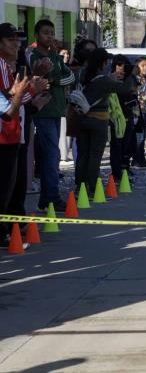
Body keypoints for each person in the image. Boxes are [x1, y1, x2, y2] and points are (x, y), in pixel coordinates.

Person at [0, 23, 47, 245]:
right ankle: (7, 230)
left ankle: (12, 227)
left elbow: (15, 101)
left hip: (13, 134)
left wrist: (31, 87)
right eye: (11, 40)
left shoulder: (8, 67)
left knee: (14, 185)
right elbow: (9, 107)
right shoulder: (1, 66)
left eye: (18, 41)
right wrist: (30, 90)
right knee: (6, 188)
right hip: (5, 135)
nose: (16, 45)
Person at [74, 49, 135, 195]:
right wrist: (131, 74)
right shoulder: (103, 80)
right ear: (102, 63)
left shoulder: (82, 74)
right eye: (106, 62)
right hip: (99, 120)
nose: (108, 64)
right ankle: (92, 188)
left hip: (81, 118)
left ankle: (80, 187)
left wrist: (110, 77)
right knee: (95, 155)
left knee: (83, 154)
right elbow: (125, 89)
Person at [29, 19, 75, 211]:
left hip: (56, 110)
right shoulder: (33, 57)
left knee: (52, 155)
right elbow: (39, 79)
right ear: (37, 36)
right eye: (46, 32)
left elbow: (70, 76)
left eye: (52, 32)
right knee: (51, 155)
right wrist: (54, 80)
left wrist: (54, 80)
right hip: (43, 112)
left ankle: (49, 197)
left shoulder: (55, 56)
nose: (50, 36)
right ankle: (51, 198)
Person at [108, 54, 138, 183]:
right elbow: (124, 90)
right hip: (116, 117)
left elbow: (132, 90)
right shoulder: (110, 79)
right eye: (118, 65)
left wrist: (131, 77)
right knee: (117, 147)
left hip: (128, 114)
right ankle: (117, 173)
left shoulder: (128, 78)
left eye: (123, 66)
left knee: (130, 145)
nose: (121, 69)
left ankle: (124, 168)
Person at [132, 57, 146, 167]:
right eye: (143, 65)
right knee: (138, 136)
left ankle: (142, 158)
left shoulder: (145, 80)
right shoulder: (136, 79)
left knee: (143, 136)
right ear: (137, 67)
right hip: (138, 111)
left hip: (145, 111)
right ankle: (136, 159)